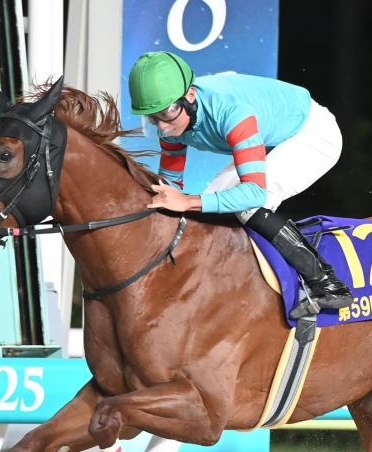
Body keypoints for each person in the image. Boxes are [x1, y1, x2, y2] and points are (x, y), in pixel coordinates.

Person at [127, 51, 352, 312]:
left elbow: (253, 193)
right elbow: (171, 187)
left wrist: (188, 202)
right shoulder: (172, 118)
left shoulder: (232, 113)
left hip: (311, 134)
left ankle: (328, 284)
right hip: (267, 136)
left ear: (189, 97)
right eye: (152, 117)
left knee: (246, 206)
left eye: (166, 113)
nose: (162, 127)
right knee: (209, 209)